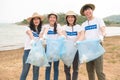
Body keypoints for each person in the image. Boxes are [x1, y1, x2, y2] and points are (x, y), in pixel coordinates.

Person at [80, 3, 106, 80]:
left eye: (88, 9)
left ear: (92, 10)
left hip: (97, 46)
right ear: (84, 13)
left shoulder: (98, 20)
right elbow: (82, 35)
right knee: (90, 70)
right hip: (88, 48)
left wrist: (102, 35)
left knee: (99, 71)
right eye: (85, 10)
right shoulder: (84, 24)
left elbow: (103, 29)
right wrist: (77, 42)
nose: (87, 11)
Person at [20, 12, 43, 80]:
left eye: (37, 19)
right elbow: (30, 34)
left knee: (36, 71)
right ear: (32, 21)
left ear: (39, 20)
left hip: (37, 52)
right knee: (25, 70)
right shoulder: (27, 28)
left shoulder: (40, 30)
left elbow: (41, 39)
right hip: (28, 51)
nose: (36, 20)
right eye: (34, 19)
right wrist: (33, 40)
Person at [62, 11, 84, 80]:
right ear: (66, 19)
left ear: (74, 18)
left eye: (72, 17)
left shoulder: (78, 27)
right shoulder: (64, 27)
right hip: (67, 50)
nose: (70, 19)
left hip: (76, 49)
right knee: (67, 69)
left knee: (75, 68)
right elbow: (63, 35)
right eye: (69, 17)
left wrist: (78, 41)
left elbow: (81, 35)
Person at [40, 12, 62, 80]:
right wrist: (42, 37)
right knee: (48, 67)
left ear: (56, 19)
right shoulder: (45, 26)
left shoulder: (58, 26)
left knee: (56, 68)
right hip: (48, 49)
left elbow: (61, 34)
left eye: (54, 17)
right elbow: (40, 35)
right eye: (51, 17)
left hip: (56, 49)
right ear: (48, 18)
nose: (52, 19)